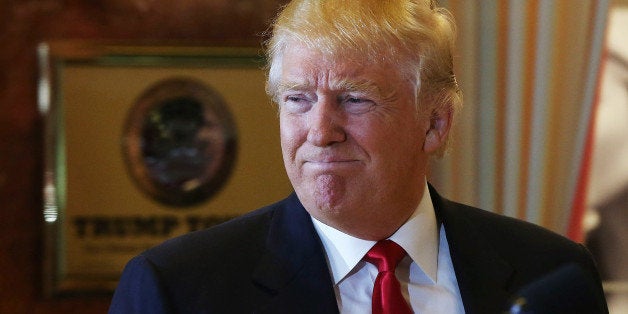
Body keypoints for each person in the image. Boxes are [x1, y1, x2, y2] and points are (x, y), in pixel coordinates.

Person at [109, 0, 608, 313]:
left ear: (435, 124)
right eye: (298, 100)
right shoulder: (179, 289)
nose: (320, 133)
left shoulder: (548, 274)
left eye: (355, 98)